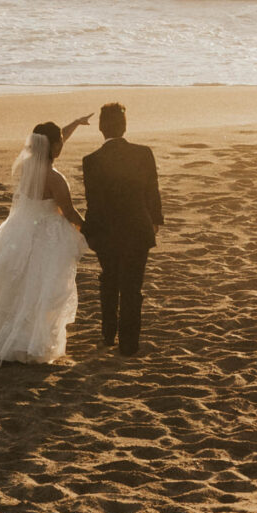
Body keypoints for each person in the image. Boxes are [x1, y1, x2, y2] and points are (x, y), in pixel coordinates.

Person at [0, 115, 93, 364]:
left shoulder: (27, 167)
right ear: (53, 146)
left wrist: (74, 124)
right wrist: (89, 230)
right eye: (60, 142)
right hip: (46, 236)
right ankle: (30, 342)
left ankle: (3, 337)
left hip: (21, 233)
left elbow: (53, 140)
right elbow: (69, 212)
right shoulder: (55, 178)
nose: (62, 145)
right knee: (42, 288)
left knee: (19, 287)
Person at [81, 102, 163, 358]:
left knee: (109, 280)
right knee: (132, 287)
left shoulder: (91, 160)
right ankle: (129, 344)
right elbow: (152, 191)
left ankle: (108, 334)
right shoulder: (143, 153)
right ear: (124, 126)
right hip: (138, 228)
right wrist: (155, 222)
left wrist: (90, 233)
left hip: (106, 231)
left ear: (101, 129)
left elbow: (93, 201)